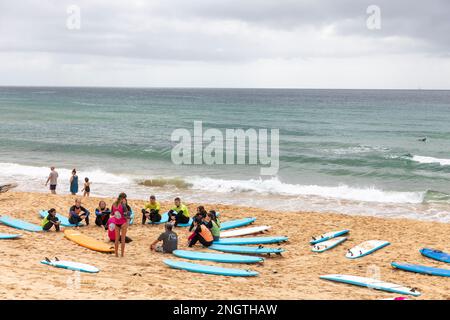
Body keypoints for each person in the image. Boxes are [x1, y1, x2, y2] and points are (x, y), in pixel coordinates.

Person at [111, 192, 131, 257]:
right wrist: (128, 215)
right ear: (123, 198)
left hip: (116, 223)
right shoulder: (123, 205)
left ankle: (116, 254)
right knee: (123, 239)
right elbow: (126, 216)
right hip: (123, 223)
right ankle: (122, 254)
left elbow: (112, 214)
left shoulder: (113, 204)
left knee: (116, 239)